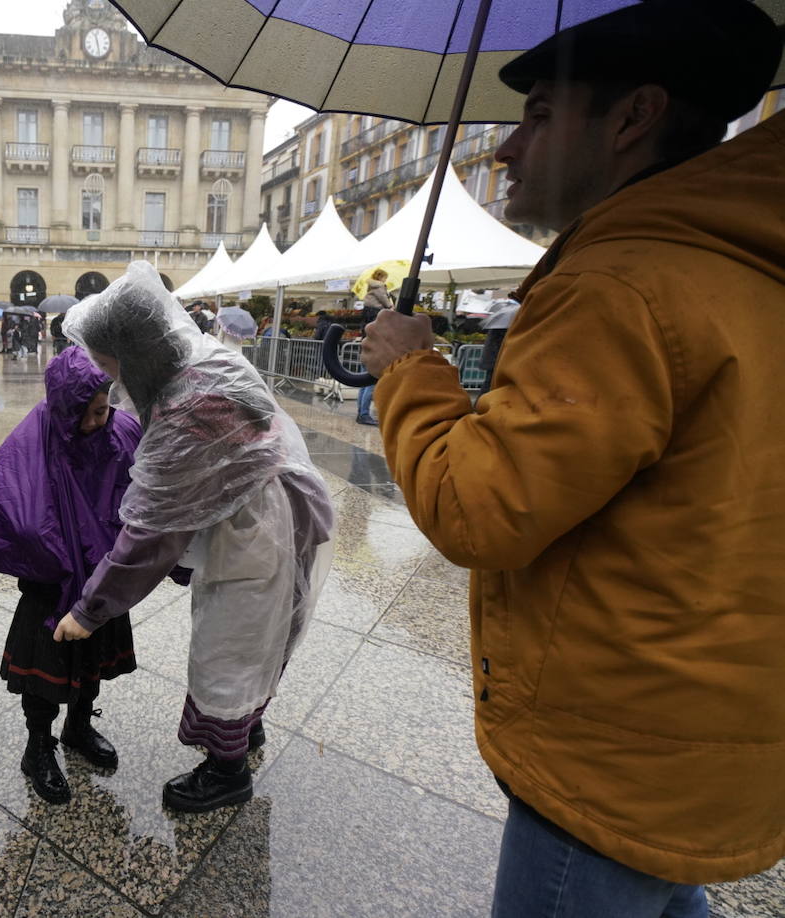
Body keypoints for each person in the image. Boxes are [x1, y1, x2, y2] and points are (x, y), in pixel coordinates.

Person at [358, 3, 785, 915]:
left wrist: (409, 371)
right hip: (716, 725)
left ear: (633, 118)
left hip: (613, 747)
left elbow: (479, 508)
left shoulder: (620, 282)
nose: (506, 150)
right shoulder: (745, 260)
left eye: (540, 114)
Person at [53, 261, 336, 813]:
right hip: (280, 515)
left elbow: (151, 533)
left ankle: (226, 772)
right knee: (259, 640)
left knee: (227, 650)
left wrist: (90, 610)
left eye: (110, 365)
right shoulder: (208, 358)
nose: (110, 380)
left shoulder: (188, 405)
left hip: (254, 535)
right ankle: (246, 728)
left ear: (135, 352)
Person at [0, 348, 144, 804]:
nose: (102, 419)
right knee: (44, 677)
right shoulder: (37, 437)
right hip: (51, 584)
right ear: (68, 407)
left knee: (93, 662)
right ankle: (38, 745)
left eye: (106, 409)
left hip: (101, 583)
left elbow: (145, 495)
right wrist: (49, 550)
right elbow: (0, 493)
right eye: (93, 413)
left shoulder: (121, 430)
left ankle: (79, 726)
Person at [356, 268, 394, 427]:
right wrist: (391, 302)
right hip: (375, 351)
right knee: (371, 382)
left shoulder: (369, 295)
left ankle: (361, 412)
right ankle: (364, 414)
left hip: (365, 349)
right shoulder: (380, 288)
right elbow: (388, 305)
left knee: (363, 382)